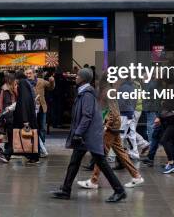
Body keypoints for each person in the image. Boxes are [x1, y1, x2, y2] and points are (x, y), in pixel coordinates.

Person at [50, 68, 126, 203]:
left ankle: (119, 191)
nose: (76, 77)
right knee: (74, 162)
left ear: (83, 78)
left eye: (78, 76)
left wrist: (78, 133)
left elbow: (87, 116)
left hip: (88, 136)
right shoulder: (84, 92)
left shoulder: (87, 95)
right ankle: (65, 190)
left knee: (101, 163)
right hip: (85, 136)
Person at [77, 78, 144, 190]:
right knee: (120, 152)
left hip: (111, 127)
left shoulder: (108, 91)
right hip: (114, 126)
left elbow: (113, 111)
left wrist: (107, 125)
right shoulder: (110, 90)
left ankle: (93, 180)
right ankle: (136, 176)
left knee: (101, 154)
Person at [11, 70, 40, 164]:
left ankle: (33, 157)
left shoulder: (22, 84)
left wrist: (25, 119)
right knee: (31, 135)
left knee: (29, 136)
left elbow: (24, 101)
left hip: (27, 116)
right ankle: (32, 156)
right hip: (29, 115)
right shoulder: (26, 83)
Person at [31, 68, 55, 157]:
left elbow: (51, 87)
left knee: (42, 128)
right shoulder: (27, 82)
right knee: (34, 127)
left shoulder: (41, 81)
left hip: (42, 107)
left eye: (32, 73)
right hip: (32, 109)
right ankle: (35, 147)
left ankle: (42, 146)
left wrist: (52, 81)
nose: (30, 75)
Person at [0, 72, 17, 163]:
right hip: (10, 114)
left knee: (10, 134)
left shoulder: (7, 88)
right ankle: (7, 153)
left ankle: (7, 152)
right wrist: (1, 114)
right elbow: (4, 103)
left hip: (8, 114)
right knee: (11, 135)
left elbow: (1, 103)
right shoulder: (6, 89)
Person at [117, 78, 140, 161]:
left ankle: (119, 156)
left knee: (121, 135)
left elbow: (121, 101)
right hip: (130, 112)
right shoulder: (132, 87)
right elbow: (135, 100)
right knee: (132, 134)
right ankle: (135, 153)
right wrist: (132, 109)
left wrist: (118, 111)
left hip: (124, 113)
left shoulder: (122, 88)